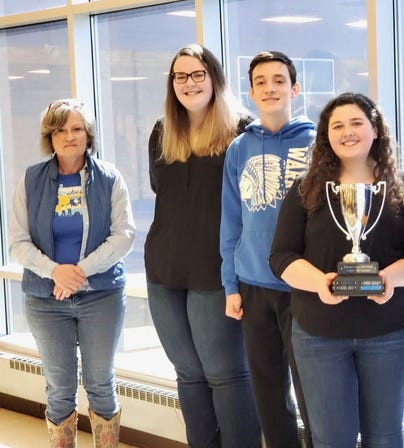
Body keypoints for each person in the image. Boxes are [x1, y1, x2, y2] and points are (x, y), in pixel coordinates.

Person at [269, 92, 404, 447]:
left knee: (384, 436)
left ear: (375, 130)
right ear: (326, 135)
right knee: (332, 439)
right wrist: (320, 283)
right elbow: (280, 257)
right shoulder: (305, 190)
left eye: (357, 123)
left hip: (389, 333)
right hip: (319, 335)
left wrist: (389, 279)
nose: (348, 132)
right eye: (338, 125)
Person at [144, 44, 261, 448]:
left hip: (216, 271)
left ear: (214, 78)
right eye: (181, 76)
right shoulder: (162, 132)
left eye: (198, 74)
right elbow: (161, 190)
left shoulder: (241, 131)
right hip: (164, 270)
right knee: (188, 374)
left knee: (225, 374)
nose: (189, 83)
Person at [8, 98, 135, 448]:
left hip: (102, 296)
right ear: (49, 136)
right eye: (60, 130)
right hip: (46, 300)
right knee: (59, 388)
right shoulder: (31, 180)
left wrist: (78, 272)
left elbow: (124, 236)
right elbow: (18, 242)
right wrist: (54, 272)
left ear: (88, 134)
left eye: (77, 128)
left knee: (101, 384)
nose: (69, 136)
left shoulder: (110, 178)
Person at [220, 50, 316, 448]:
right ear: (251, 92)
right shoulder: (239, 148)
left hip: (304, 286)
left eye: (279, 80)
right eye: (261, 82)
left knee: (312, 391)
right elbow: (231, 220)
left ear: (295, 89)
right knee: (269, 394)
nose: (270, 88)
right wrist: (230, 285)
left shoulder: (317, 142)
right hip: (253, 284)